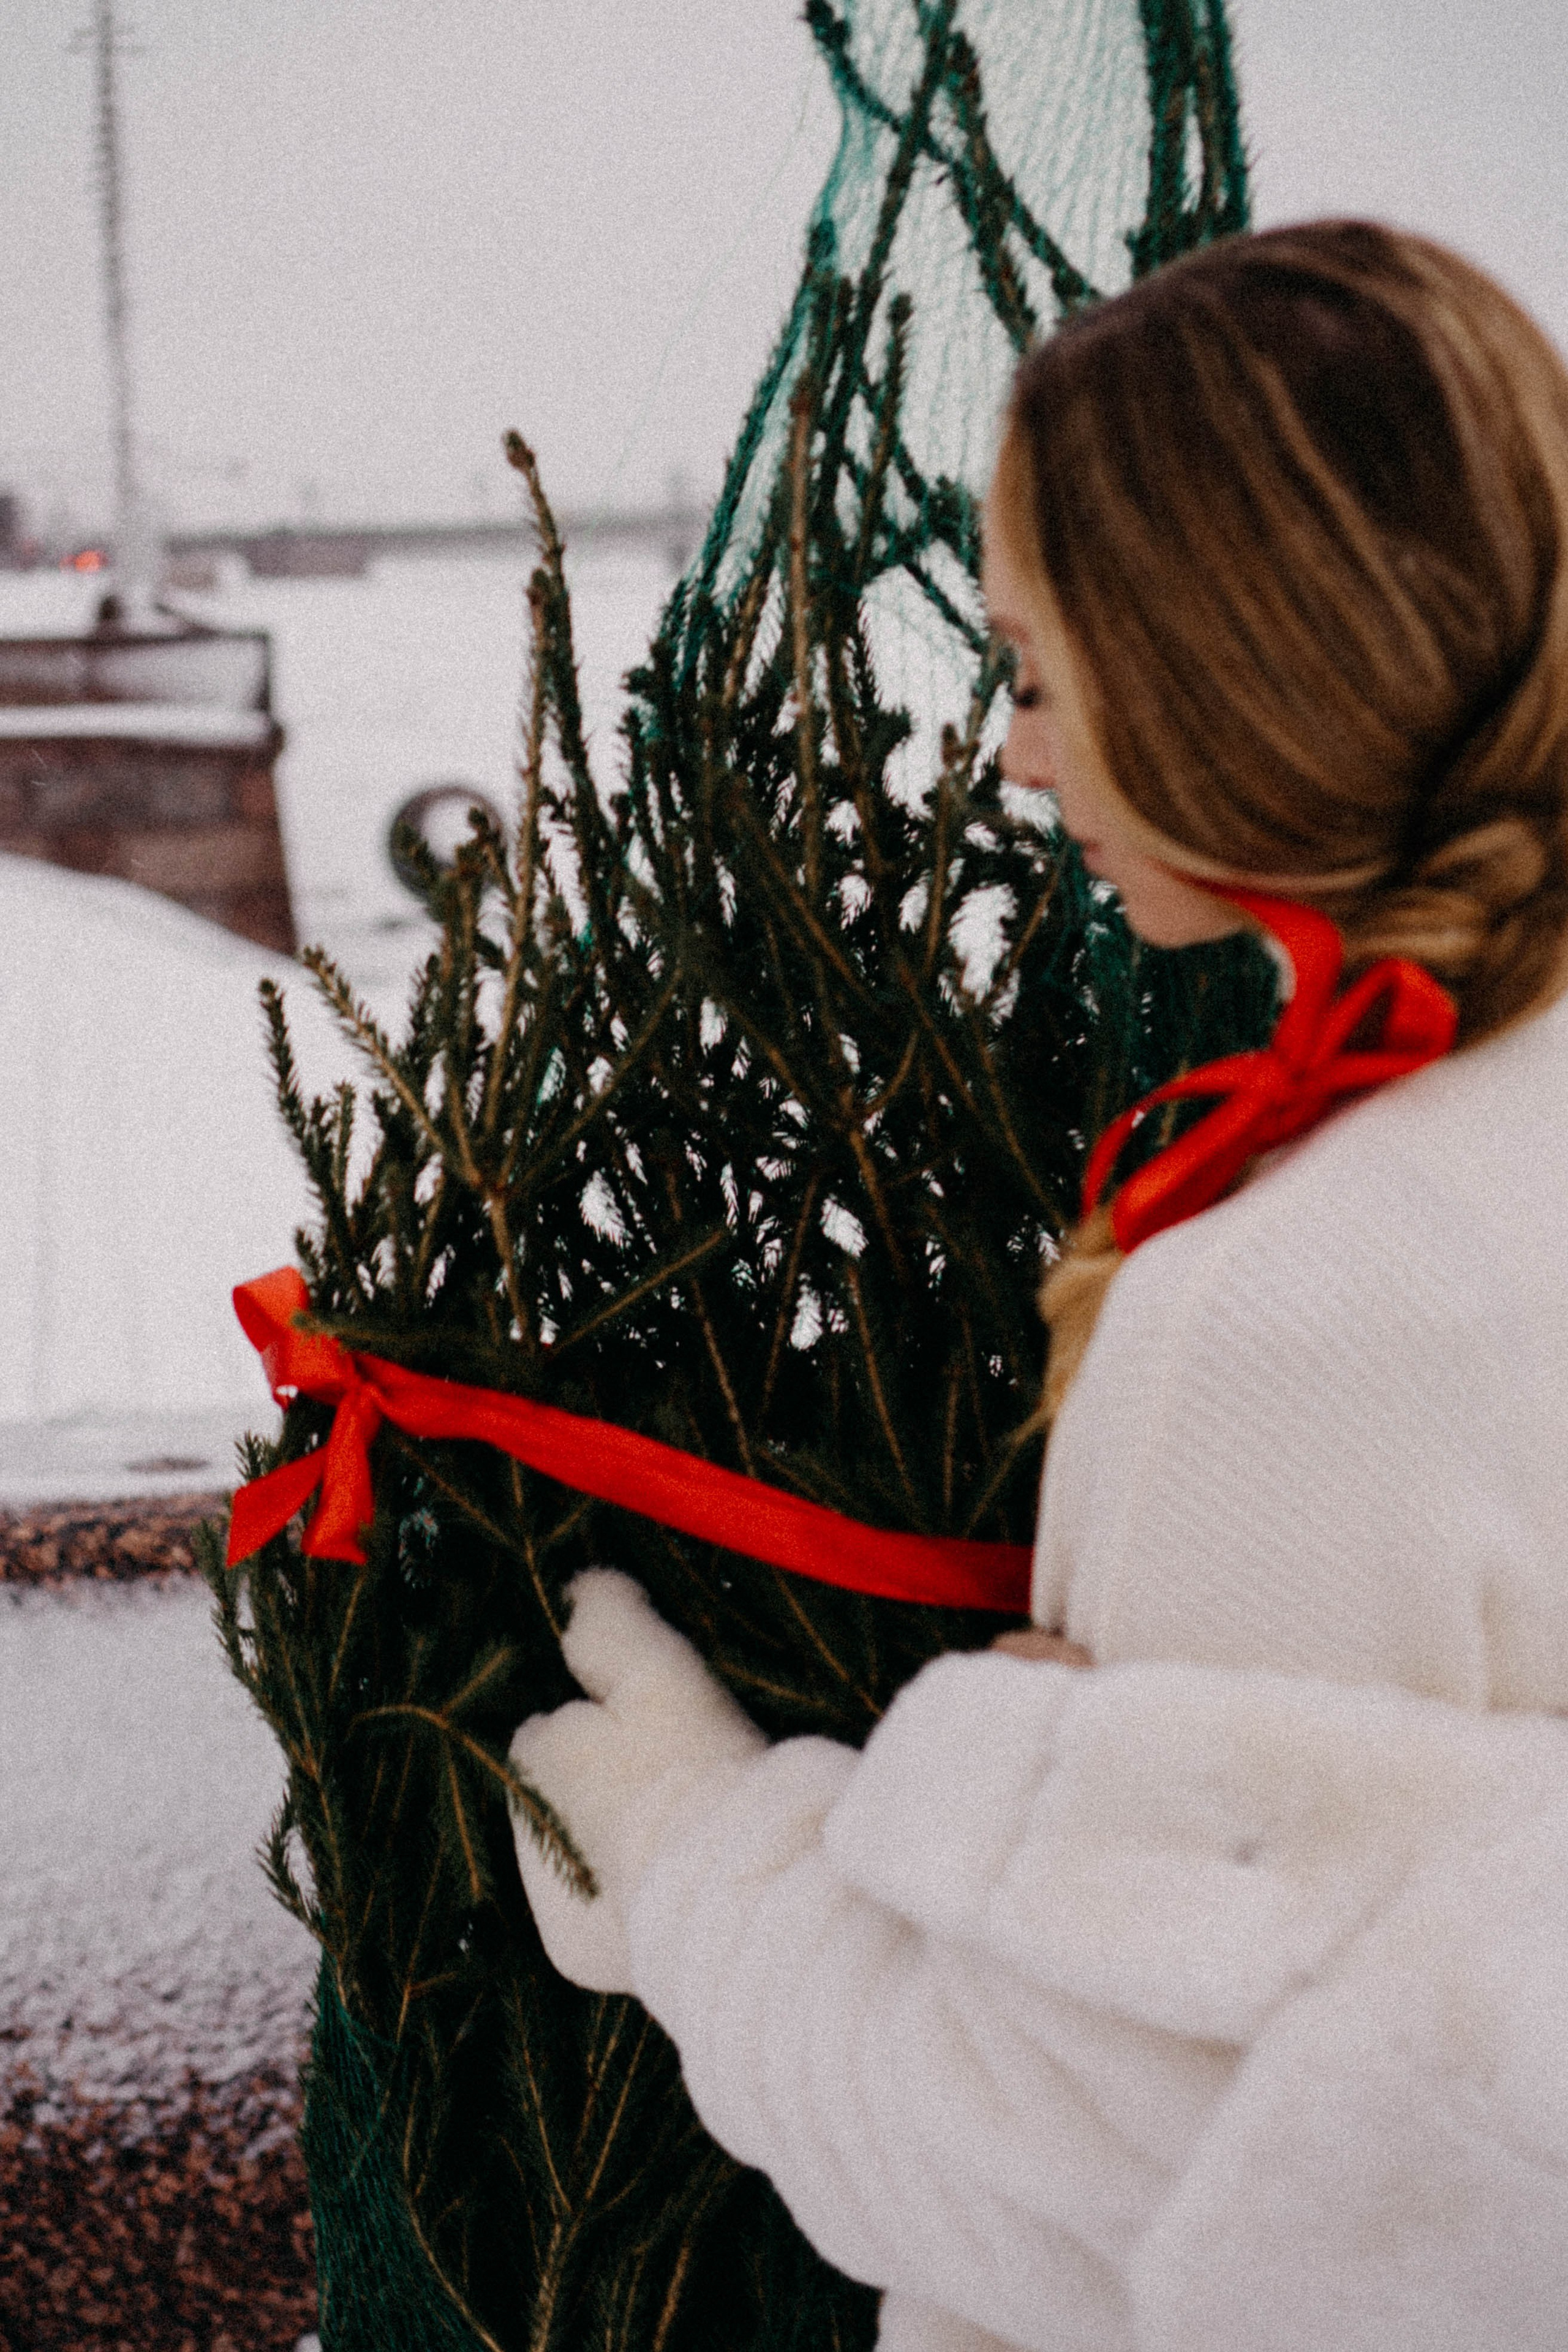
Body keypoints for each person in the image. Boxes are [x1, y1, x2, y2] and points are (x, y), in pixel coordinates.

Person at [510, 221, 1568, 2352]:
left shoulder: (1289, 1315)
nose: (1012, 754)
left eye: (1035, 671)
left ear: (1223, 672)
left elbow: (1107, 2194)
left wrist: (701, 1854)